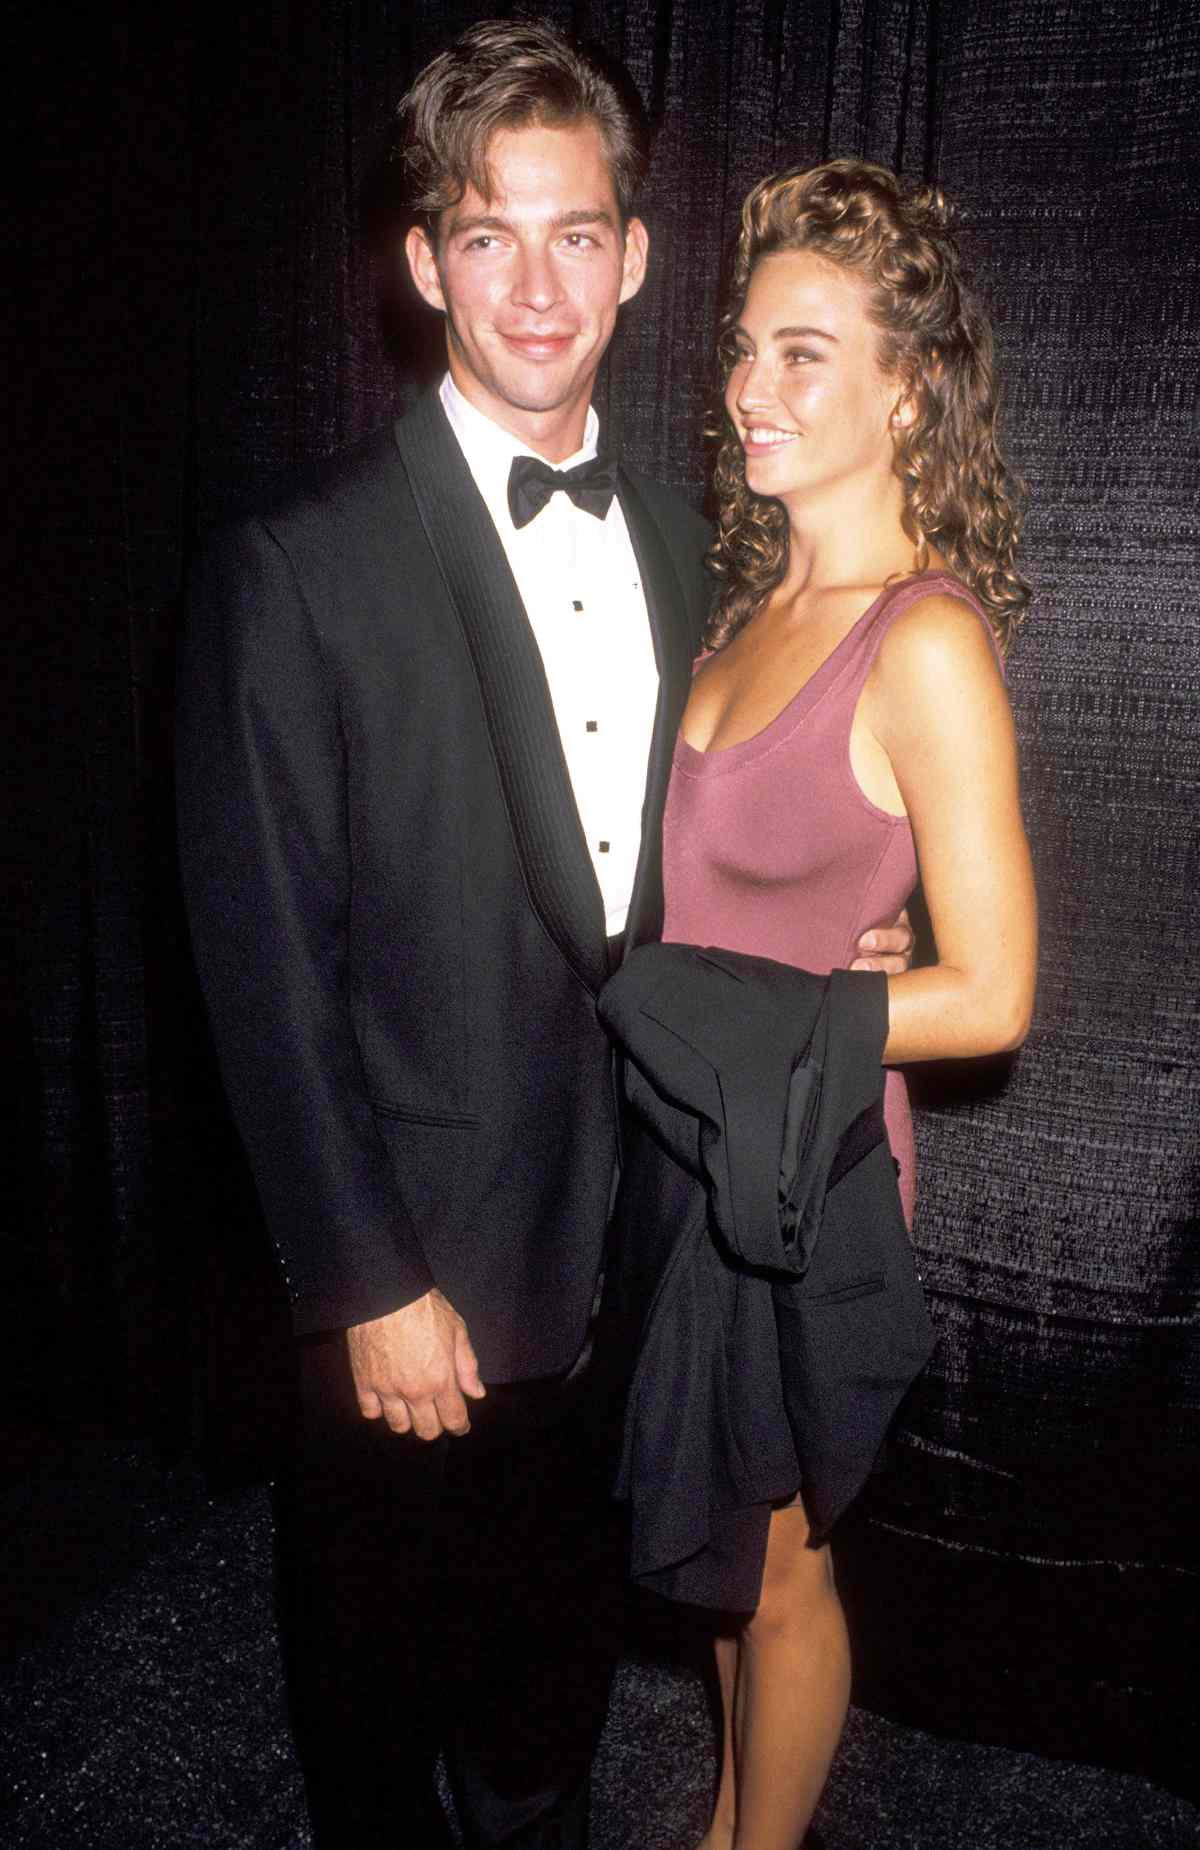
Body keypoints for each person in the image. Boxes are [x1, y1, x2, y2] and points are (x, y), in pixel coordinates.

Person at [175, 23, 913, 1850]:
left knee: (546, 1727)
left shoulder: (683, 540)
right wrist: (360, 1273)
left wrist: (836, 951)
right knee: (372, 1729)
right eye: (486, 234)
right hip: (408, 1285)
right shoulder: (296, 560)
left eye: (576, 233)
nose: (535, 283)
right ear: (422, 261)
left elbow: (698, 862)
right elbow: (259, 952)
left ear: (639, 256)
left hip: (632, 1256)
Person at [648, 158, 1038, 1850]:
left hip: (804, 1167)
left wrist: (827, 1007)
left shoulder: (922, 639)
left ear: (906, 385)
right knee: (728, 1559)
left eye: (803, 353)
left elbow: (1000, 991)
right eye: (744, 349)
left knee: (787, 1570)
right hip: (685, 1155)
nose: (749, 389)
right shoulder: (750, 613)